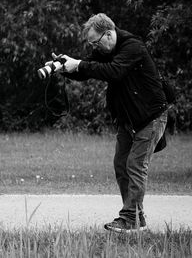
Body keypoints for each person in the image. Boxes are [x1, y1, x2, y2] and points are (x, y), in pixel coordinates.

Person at [53, 13, 168, 233]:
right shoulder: (104, 49)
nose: (94, 47)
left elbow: (114, 72)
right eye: (91, 44)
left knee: (135, 165)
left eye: (95, 42)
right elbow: (88, 69)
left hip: (151, 117)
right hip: (129, 119)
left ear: (108, 34)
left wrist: (79, 64)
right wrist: (65, 68)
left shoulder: (132, 47)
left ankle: (129, 219)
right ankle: (136, 217)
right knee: (121, 165)